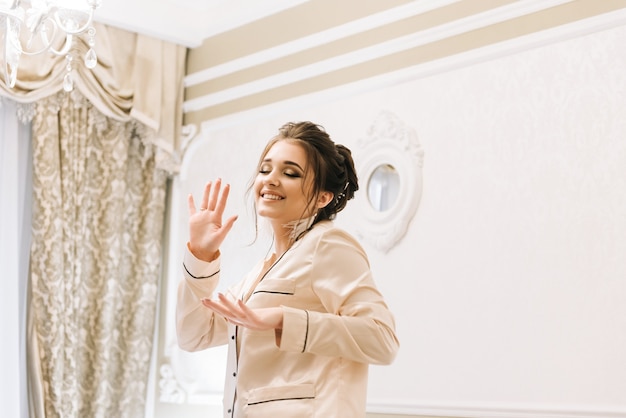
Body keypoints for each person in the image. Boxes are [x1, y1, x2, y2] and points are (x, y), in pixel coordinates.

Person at [176, 121, 399, 417]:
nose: (270, 180)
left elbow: (382, 339)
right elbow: (194, 335)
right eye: (265, 169)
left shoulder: (328, 244)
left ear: (323, 197)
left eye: (290, 172)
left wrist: (284, 320)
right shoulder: (260, 272)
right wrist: (201, 256)